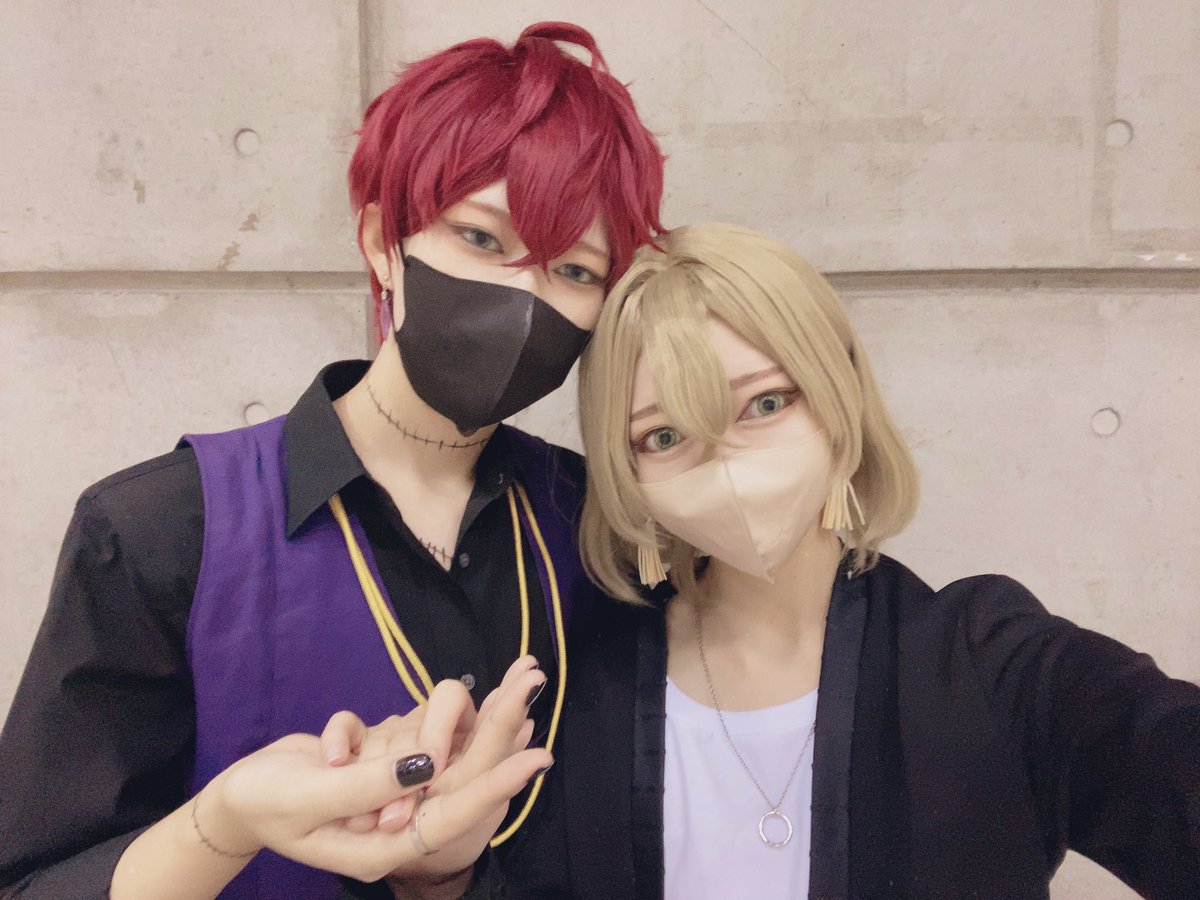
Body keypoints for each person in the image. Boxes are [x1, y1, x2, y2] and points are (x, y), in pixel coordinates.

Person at [0, 22, 664, 900]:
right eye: (481, 239)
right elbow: (36, 880)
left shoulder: (598, 527)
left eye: (574, 271)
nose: (522, 296)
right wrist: (224, 822)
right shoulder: (162, 531)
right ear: (384, 239)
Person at [477, 223, 1200, 897]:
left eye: (765, 404)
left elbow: (1150, 745)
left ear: (838, 393)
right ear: (625, 471)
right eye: (664, 437)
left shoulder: (989, 665)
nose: (727, 468)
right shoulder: (572, 687)